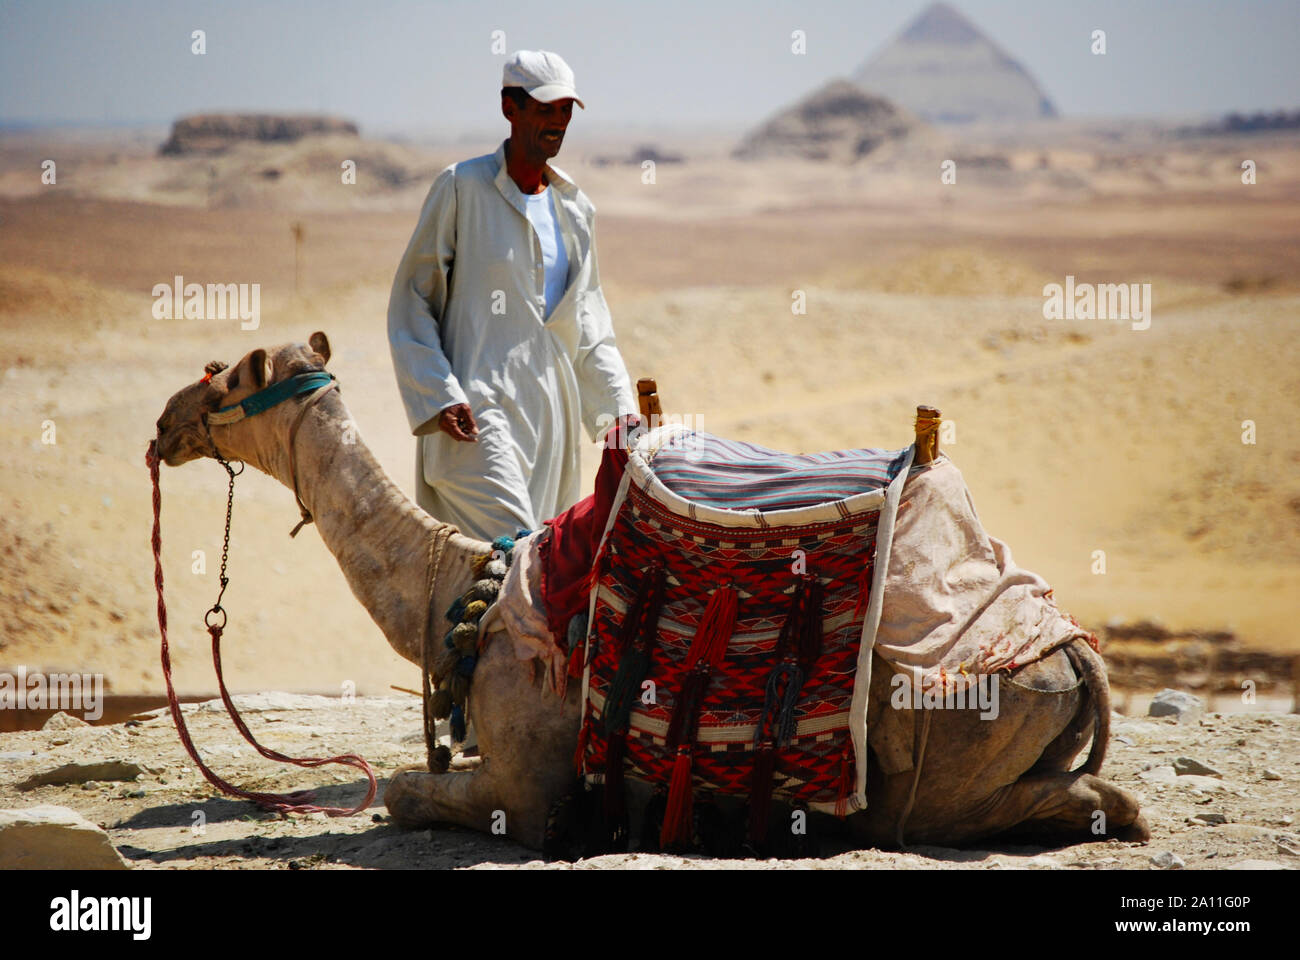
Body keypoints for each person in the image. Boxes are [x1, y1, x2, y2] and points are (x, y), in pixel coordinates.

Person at [388, 50, 636, 541]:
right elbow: (413, 298)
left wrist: (620, 413)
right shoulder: (461, 188)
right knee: (520, 548)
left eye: (566, 109)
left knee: (536, 570)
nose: (557, 122)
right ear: (509, 107)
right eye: (545, 108)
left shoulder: (576, 210)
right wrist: (439, 394)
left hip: (553, 420)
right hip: (476, 411)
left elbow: (588, 324)